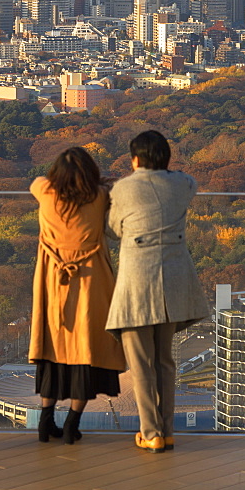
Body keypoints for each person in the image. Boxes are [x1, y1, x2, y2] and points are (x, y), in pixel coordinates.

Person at [105, 130, 208, 454]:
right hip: (174, 279)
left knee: (141, 363)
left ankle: (150, 432)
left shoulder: (124, 188)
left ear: (136, 159)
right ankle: (167, 430)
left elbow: (113, 230)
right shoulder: (183, 185)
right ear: (166, 158)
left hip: (138, 279)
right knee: (165, 360)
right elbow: (187, 178)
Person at [29, 147, 126, 444]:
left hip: (52, 278)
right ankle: (73, 423)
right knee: (86, 345)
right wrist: (102, 184)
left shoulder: (45, 192)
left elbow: (36, 183)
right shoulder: (99, 197)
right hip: (89, 278)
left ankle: (46, 421)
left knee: (53, 346)